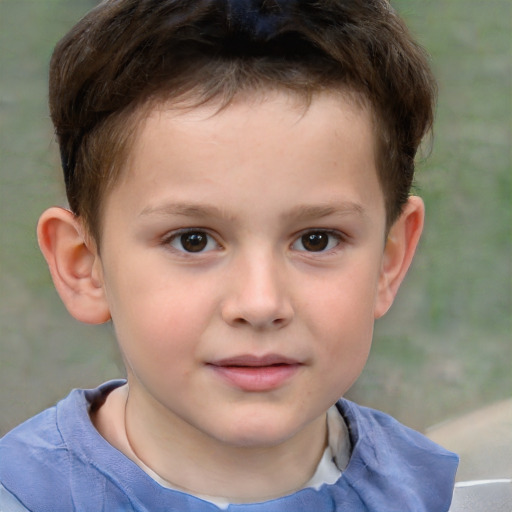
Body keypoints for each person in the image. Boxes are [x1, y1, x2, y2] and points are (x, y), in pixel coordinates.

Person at [0, 0, 459, 510]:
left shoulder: (441, 496)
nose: (260, 303)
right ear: (83, 265)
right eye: (192, 240)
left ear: (388, 259)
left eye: (316, 240)